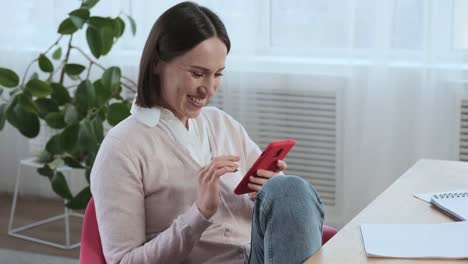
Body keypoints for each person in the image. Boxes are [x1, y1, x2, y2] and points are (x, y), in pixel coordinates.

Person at [90, 2, 324, 263]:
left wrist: (266, 192)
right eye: (198, 74)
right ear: (157, 63)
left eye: (217, 74)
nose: (209, 89)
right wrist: (199, 213)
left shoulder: (220, 123)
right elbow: (123, 261)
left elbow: (283, 207)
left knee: (290, 189)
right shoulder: (122, 148)